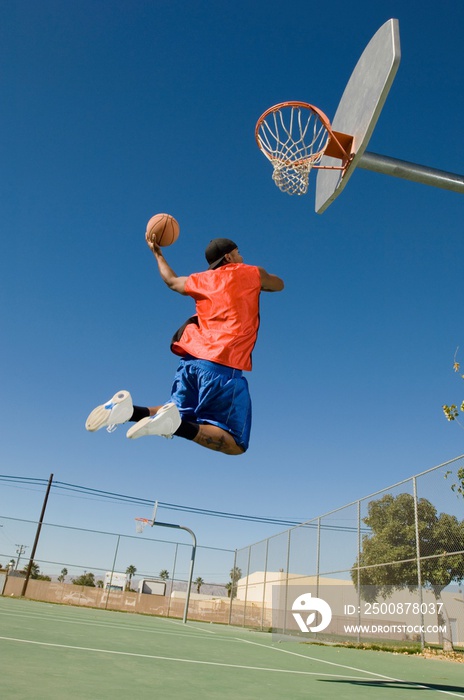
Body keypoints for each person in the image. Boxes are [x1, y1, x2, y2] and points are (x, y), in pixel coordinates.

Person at [86, 235, 284, 455]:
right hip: (223, 365)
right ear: (229, 256)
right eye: (238, 253)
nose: (242, 256)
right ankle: (175, 427)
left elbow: (171, 281)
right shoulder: (251, 272)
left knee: (175, 412)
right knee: (235, 444)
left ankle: (127, 412)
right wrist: (257, 283)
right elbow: (279, 284)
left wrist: (157, 253)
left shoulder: (199, 280)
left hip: (191, 363)